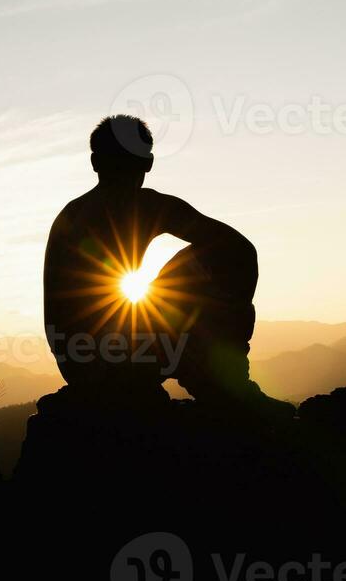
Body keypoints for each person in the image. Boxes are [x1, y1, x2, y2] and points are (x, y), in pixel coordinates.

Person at [42, 115, 288, 417]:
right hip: (111, 360)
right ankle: (231, 389)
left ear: (95, 162)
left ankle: (224, 384)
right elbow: (239, 250)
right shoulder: (150, 207)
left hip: (77, 362)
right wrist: (228, 318)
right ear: (148, 164)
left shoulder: (71, 214)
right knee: (205, 265)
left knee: (187, 272)